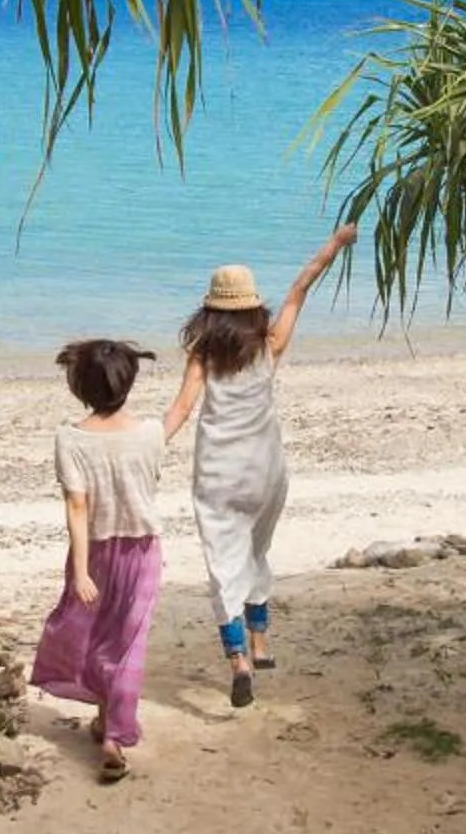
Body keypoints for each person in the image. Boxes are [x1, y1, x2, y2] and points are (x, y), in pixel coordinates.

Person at [164, 223, 356, 708]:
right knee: (256, 551)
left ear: (210, 310)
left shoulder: (202, 354)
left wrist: (148, 444)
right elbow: (300, 287)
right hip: (268, 473)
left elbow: (182, 409)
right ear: (252, 307)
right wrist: (335, 243)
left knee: (222, 566)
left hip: (218, 478)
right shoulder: (270, 345)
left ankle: (238, 661)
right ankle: (262, 641)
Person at [27, 338, 168, 782]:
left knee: (97, 634)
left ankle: (109, 724)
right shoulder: (150, 433)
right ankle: (114, 733)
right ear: (129, 383)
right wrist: (200, 363)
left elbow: (76, 508)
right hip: (142, 550)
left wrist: (83, 570)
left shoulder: (70, 438)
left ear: (78, 387)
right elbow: (183, 409)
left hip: (96, 551)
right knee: (127, 641)